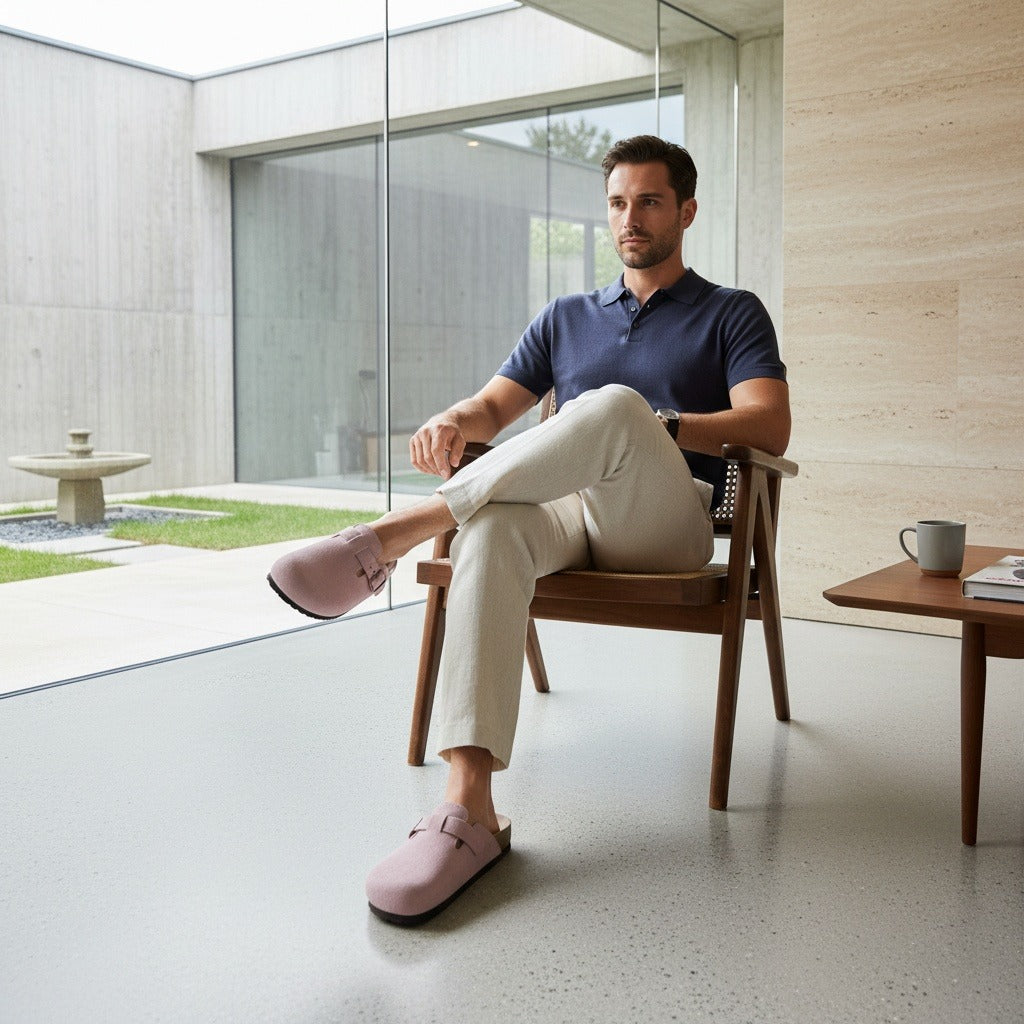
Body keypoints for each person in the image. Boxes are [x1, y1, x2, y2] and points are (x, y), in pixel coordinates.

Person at [267, 135, 790, 926]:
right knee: (491, 531)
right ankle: (470, 805)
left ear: (686, 211)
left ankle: (390, 536)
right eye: (617, 203)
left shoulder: (731, 312)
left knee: (615, 407)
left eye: (649, 202)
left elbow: (769, 424)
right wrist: (453, 418)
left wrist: (661, 425)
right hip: (566, 514)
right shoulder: (566, 316)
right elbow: (492, 408)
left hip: (669, 519)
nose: (630, 218)